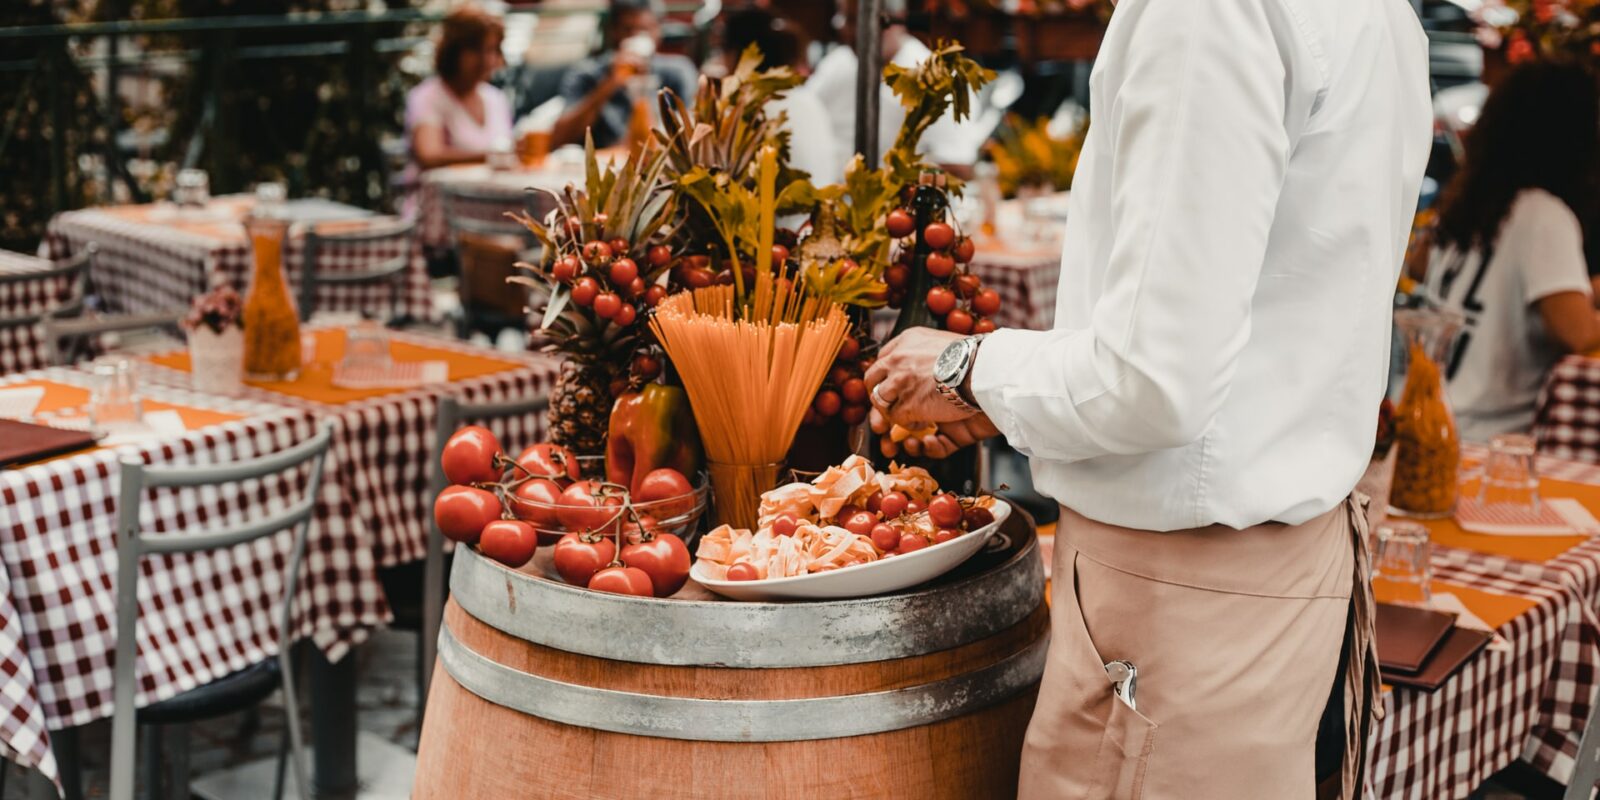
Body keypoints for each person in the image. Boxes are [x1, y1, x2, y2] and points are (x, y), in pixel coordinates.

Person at [863, 1, 1431, 797]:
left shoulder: (1209, 12)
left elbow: (1155, 382)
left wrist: (964, 366)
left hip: (1184, 611)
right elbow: (1257, 328)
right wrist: (1014, 395)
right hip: (1280, 579)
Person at [1423, 62, 1600, 442]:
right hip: (1489, 445)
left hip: (1431, 425)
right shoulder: (1542, 215)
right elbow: (1577, 333)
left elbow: (1496, 290)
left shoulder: (1467, 205)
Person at [806, 0, 983, 171]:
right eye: (843, 18)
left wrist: (892, 177)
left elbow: (957, 165)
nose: (845, 29)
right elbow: (804, 118)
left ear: (895, 19)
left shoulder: (937, 78)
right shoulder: (837, 63)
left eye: (854, 19)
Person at [551, 0, 699, 149]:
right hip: (603, 164)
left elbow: (695, 131)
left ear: (658, 30)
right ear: (613, 32)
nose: (634, 37)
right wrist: (609, 84)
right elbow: (558, 138)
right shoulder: (587, 73)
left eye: (643, 30)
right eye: (627, 30)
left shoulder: (678, 71)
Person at [721, 9, 843, 183]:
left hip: (777, 209)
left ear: (734, 55)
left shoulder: (748, 109)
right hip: (823, 206)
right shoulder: (807, 99)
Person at [406, 5, 513, 172]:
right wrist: (490, 157)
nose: (486, 60)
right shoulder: (428, 96)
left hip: (490, 196)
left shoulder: (496, 98)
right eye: (475, 50)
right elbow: (429, 155)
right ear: (453, 51)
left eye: (491, 50)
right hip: (439, 197)